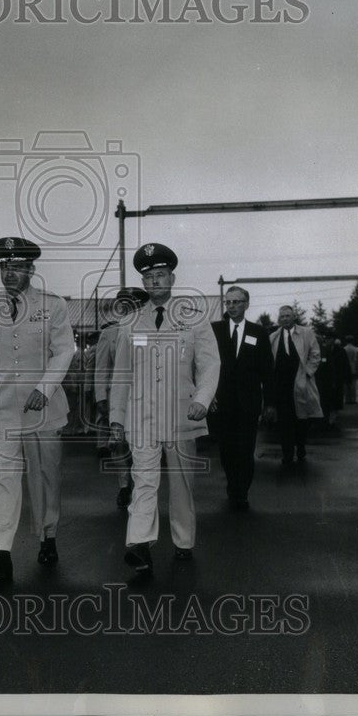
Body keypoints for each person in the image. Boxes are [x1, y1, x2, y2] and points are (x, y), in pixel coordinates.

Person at [110, 243, 220, 574]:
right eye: (149, 277)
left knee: (182, 482)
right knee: (143, 480)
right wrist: (116, 419)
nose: (155, 282)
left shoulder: (195, 318)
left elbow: (210, 364)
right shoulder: (129, 323)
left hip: (181, 415)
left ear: (172, 278)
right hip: (141, 417)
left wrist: (202, 399)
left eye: (161, 275)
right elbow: (121, 375)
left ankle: (183, 541)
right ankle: (140, 545)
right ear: (143, 283)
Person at [0, 237, 75, 580]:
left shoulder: (53, 306)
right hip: (2, 408)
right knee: (1, 475)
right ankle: (0, 550)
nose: (9, 273)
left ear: (31, 269)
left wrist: (44, 388)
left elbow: (64, 351)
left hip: (42, 408)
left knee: (45, 475)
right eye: (4, 266)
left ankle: (48, 535)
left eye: (16, 266)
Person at [206, 285, 273, 512]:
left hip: (248, 403)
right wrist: (207, 394)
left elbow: (268, 370)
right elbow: (205, 365)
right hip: (222, 402)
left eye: (236, 302)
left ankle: (241, 491)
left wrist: (269, 403)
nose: (232, 306)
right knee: (226, 450)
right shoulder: (215, 330)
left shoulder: (258, 332)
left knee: (245, 449)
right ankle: (233, 483)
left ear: (246, 304)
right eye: (229, 302)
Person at [96, 287, 150, 510]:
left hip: (143, 399)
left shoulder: (148, 331)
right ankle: (124, 485)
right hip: (117, 398)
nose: (127, 307)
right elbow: (101, 369)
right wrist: (100, 397)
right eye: (123, 304)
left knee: (141, 445)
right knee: (118, 445)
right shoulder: (109, 333)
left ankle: (140, 486)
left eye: (132, 303)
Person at [269, 305, 322, 466]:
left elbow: (315, 354)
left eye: (288, 316)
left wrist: (307, 372)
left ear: (294, 317)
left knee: (302, 418)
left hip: (300, 383)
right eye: (282, 316)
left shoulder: (306, 333)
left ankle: (301, 447)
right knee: (284, 420)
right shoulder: (273, 337)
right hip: (281, 385)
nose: (285, 319)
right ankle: (287, 453)